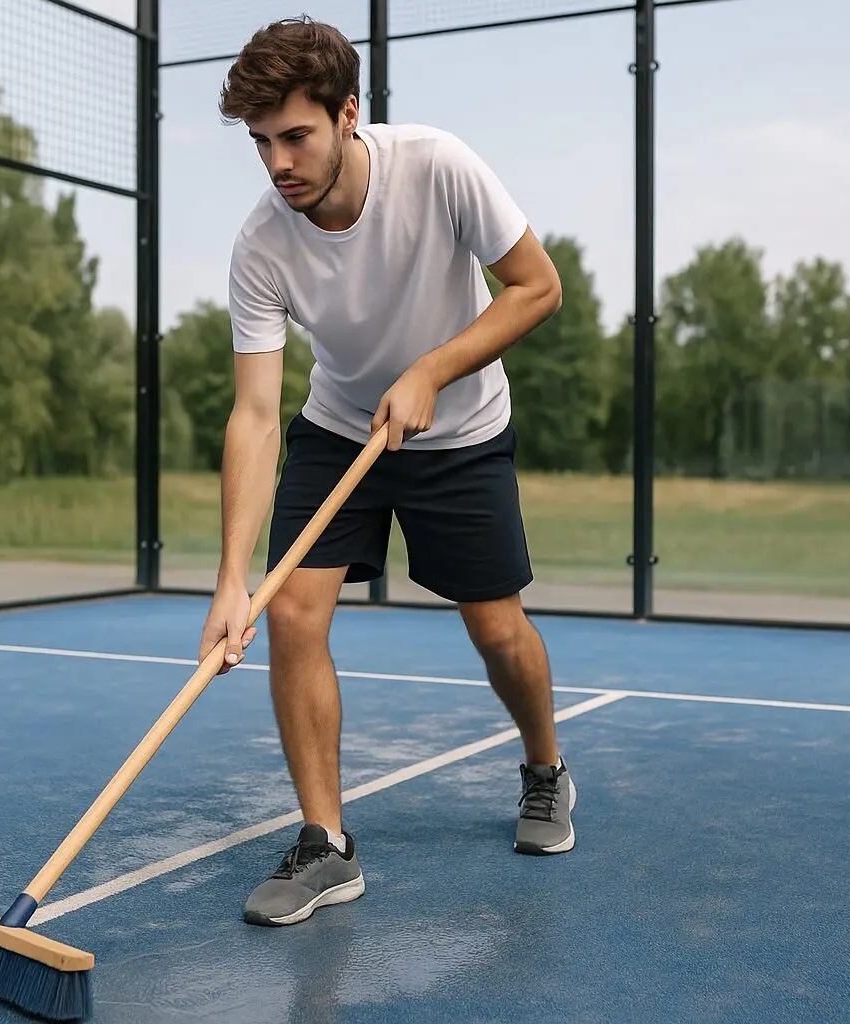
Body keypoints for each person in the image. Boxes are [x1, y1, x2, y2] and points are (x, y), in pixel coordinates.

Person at [199, 16, 573, 928]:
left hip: (463, 431)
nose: (279, 162)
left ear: (348, 114)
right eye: (262, 143)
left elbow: (538, 286)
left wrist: (432, 370)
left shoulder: (438, 165)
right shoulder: (261, 244)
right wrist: (229, 580)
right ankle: (326, 844)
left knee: (496, 630)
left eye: (296, 135)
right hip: (339, 432)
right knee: (290, 613)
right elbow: (254, 414)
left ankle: (544, 768)